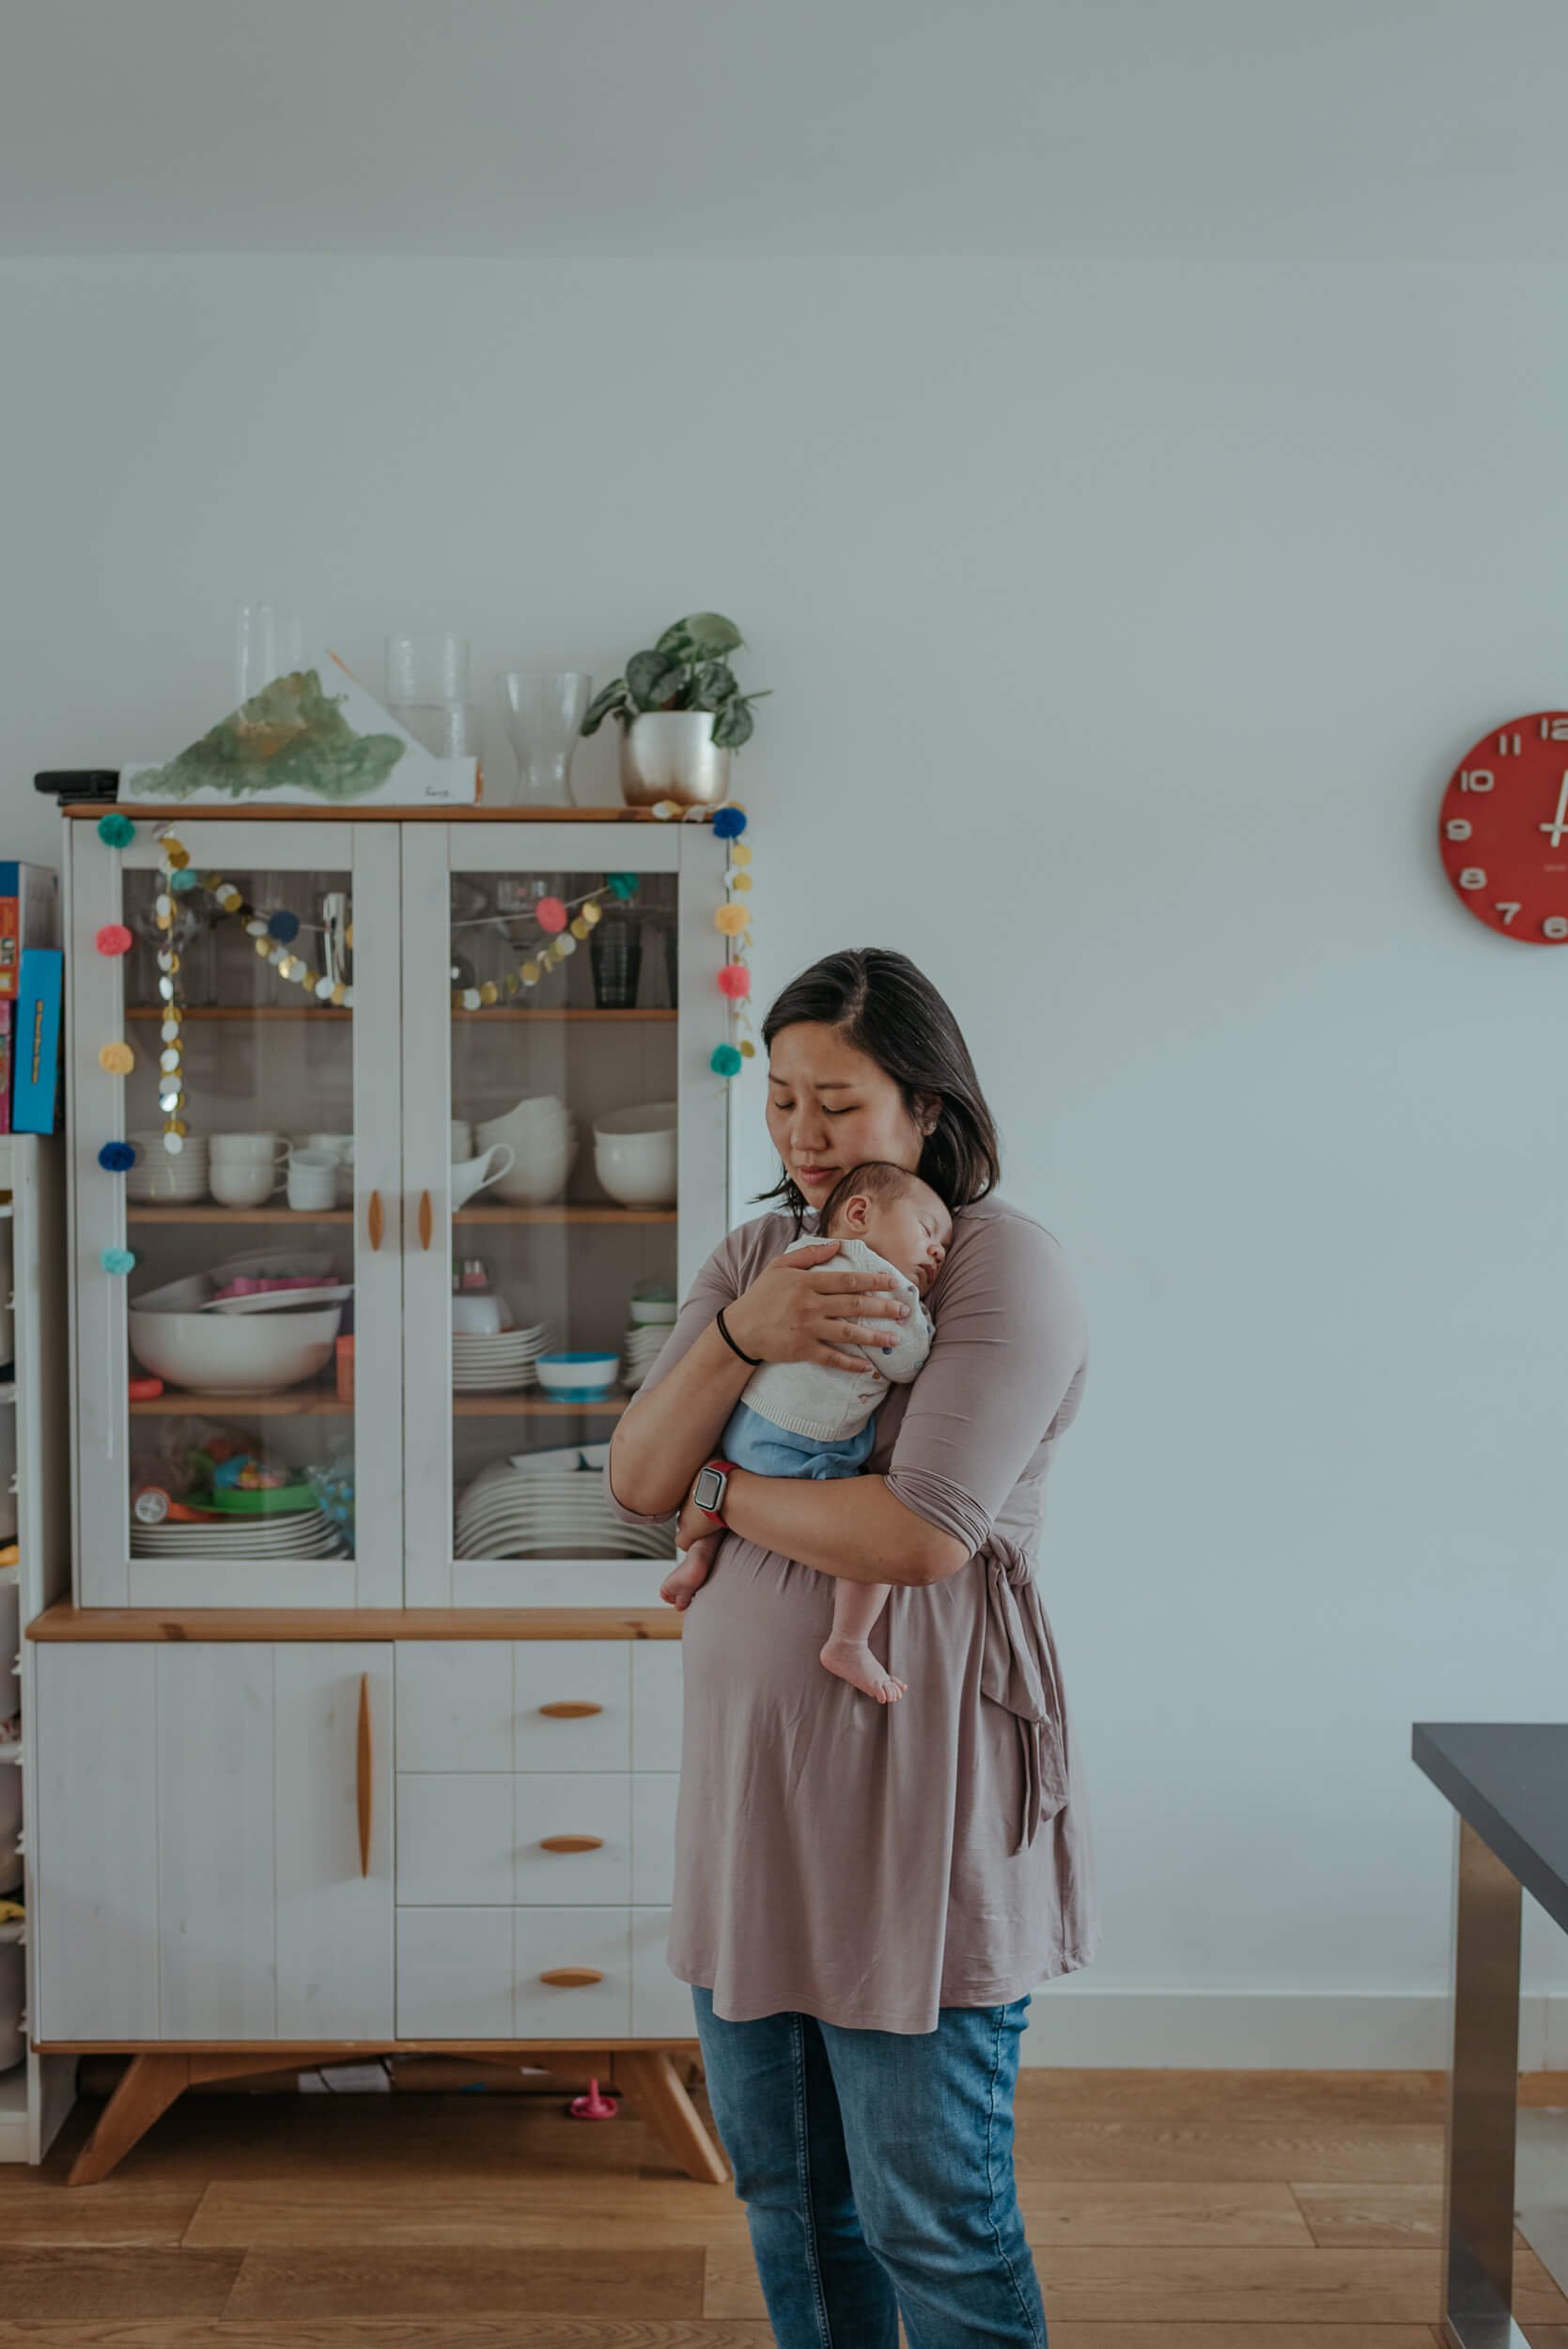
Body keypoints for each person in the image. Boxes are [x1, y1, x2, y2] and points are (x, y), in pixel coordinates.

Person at [607, 946, 1098, 2349]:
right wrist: (743, 1337)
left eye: (839, 1106)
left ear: (927, 1107)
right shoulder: (754, 1260)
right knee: (786, 2193)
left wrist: (719, 1487)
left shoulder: (1001, 1265)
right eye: (779, 1104)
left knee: (929, 2213)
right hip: (754, 1794)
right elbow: (634, 1477)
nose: (804, 1141)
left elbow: (920, 1534)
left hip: (915, 1783)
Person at [659, 1158, 953, 1703]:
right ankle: (849, 1641)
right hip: (811, 1442)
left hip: (746, 1426)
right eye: (928, 1231)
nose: (937, 1252)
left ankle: (698, 1555)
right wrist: (923, 1318)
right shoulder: (879, 1285)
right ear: (860, 1213)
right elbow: (905, 1363)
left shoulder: (794, 1258)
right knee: (872, 1547)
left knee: (733, 1490)